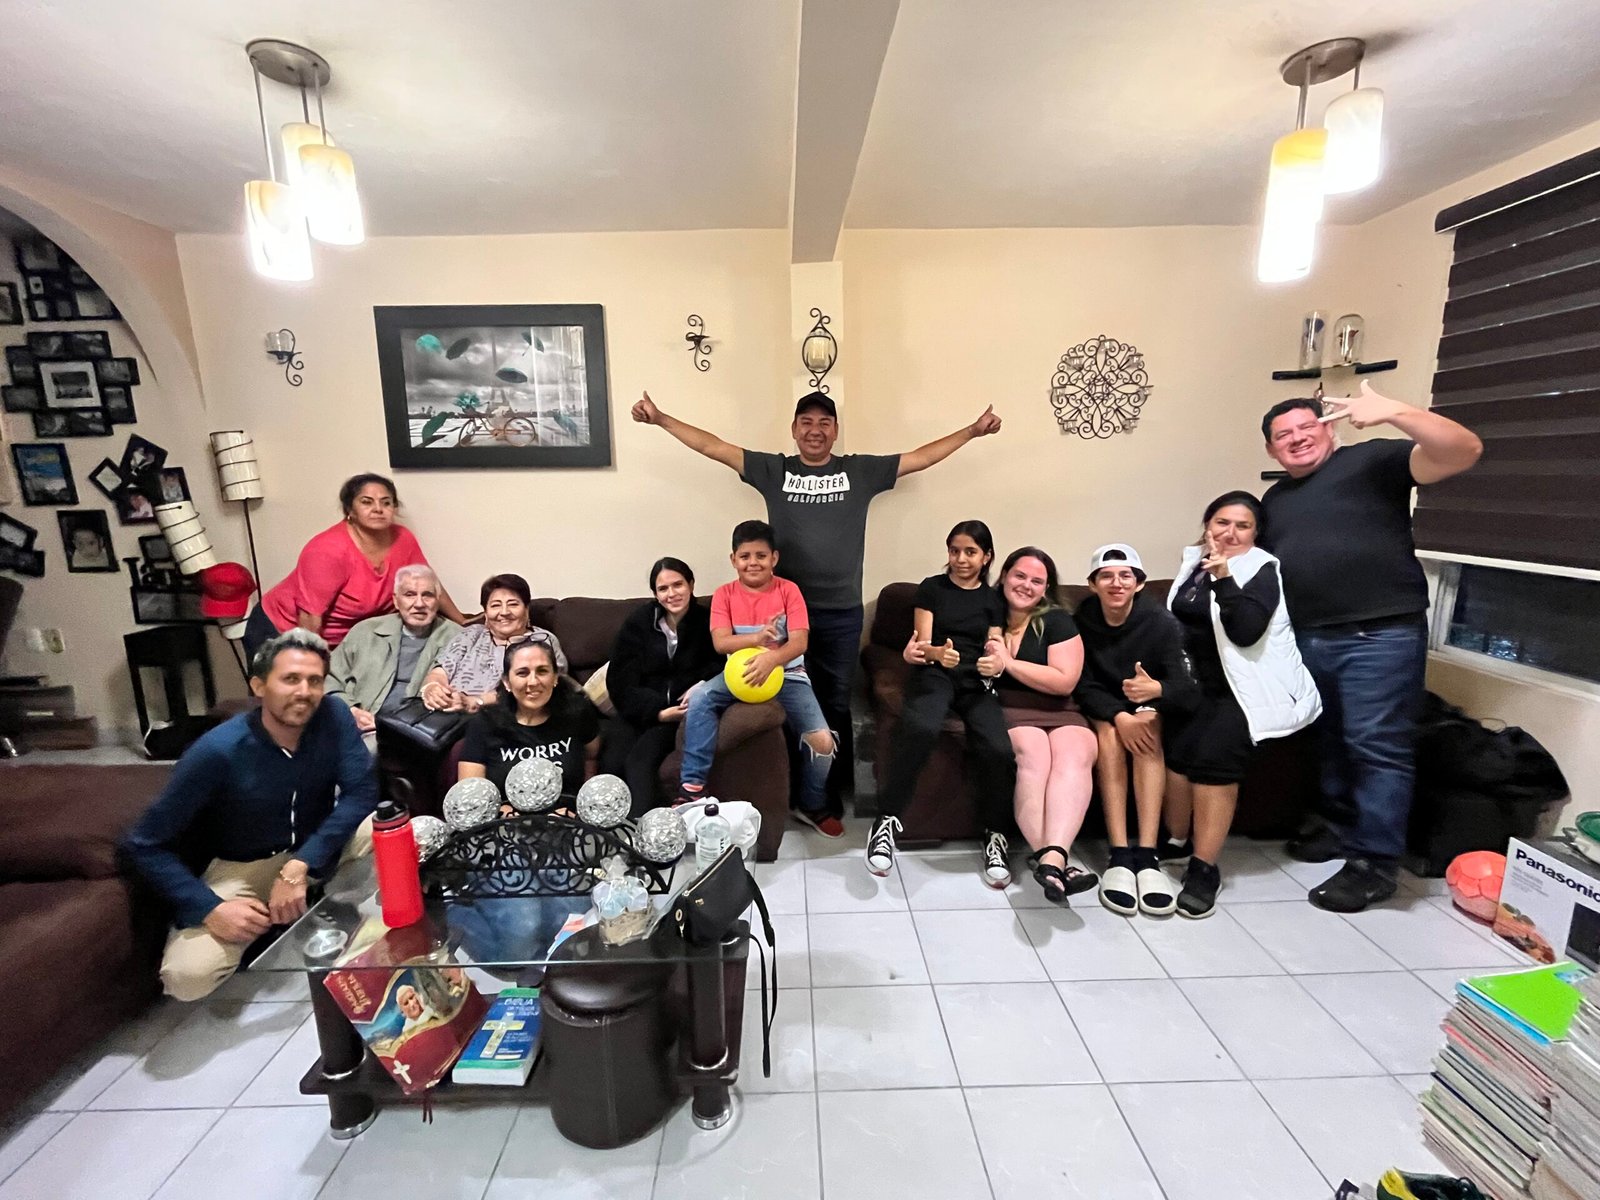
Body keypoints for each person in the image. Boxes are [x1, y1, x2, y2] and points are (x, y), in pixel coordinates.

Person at [631, 388, 1002, 817]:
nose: (815, 430)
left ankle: (826, 792)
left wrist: (973, 431)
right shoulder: (774, 470)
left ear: (835, 431)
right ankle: (792, 789)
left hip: (842, 612)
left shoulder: (859, 471)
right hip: (784, 614)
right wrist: (661, 419)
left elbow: (919, 458)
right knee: (788, 699)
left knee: (836, 700)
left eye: (824, 422)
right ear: (794, 429)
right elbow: (713, 447)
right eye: (806, 422)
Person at [1260, 381, 1483, 912]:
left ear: (1329, 428)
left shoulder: (1373, 461)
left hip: (1379, 634)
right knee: (1332, 741)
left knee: (1377, 746)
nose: (1297, 438)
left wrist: (1394, 411)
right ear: (1271, 450)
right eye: (1283, 435)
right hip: (1310, 637)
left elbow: (1464, 450)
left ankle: (1375, 864)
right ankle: (1340, 829)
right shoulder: (1276, 499)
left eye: (1306, 426)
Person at [122, 629, 377, 1001]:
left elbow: (362, 792)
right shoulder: (217, 751)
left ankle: (316, 900)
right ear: (259, 686)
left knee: (407, 833)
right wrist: (209, 909)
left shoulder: (334, 715)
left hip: (314, 848)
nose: (304, 692)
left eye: (314, 681)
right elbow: (143, 844)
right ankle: (268, 922)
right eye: (290, 679)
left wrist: (301, 864)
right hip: (244, 866)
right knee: (187, 977)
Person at [1161, 492, 1322, 918]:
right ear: (1207, 525)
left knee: (1213, 763)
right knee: (1176, 756)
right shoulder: (1193, 561)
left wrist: (1224, 579)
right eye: (1222, 522)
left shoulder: (1262, 569)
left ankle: (1204, 869)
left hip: (1244, 689)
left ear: (1255, 533)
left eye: (1242, 525)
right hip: (1197, 685)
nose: (1230, 533)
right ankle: (1176, 843)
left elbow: (1247, 632)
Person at [864, 521, 1017, 888]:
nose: (961, 559)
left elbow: (995, 642)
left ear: (986, 556)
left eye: (970, 552)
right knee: (920, 726)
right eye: (954, 551)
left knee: (998, 747)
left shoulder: (993, 599)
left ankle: (996, 834)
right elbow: (922, 643)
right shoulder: (932, 588)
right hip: (936, 674)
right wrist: (938, 654)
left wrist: (995, 661)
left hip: (977, 680)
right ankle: (886, 820)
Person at [678, 520, 837, 829]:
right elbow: (721, 642)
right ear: (733, 559)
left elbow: (799, 642)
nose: (753, 563)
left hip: (789, 674)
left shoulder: (789, 591)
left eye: (761, 556)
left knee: (823, 742)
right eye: (745, 556)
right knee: (701, 699)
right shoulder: (724, 594)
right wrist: (757, 639)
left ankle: (812, 804)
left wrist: (772, 659)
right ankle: (691, 789)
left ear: (774, 558)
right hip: (740, 676)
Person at [1074, 544, 1197, 917]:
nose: (1116, 583)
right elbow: (1082, 682)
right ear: (1092, 584)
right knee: (1110, 740)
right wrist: (1118, 715)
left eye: (1125, 576)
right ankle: (1119, 855)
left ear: (1139, 583)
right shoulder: (1082, 620)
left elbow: (1187, 687)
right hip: (1104, 707)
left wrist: (1156, 691)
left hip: (1148, 705)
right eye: (1106, 576)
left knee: (1147, 737)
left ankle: (1147, 855)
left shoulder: (1161, 623)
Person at [984, 546, 1100, 903]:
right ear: (1004, 575)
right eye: (1020, 575)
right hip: (1012, 708)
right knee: (1034, 755)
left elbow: (1064, 681)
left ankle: (1051, 862)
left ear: (1046, 588)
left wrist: (1009, 663)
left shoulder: (1057, 620)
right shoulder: (985, 612)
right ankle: (1056, 861)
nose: (1026, 585)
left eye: (1037, 581)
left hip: (1061, 708)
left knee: (1075, 753)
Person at [245, 473, 468, 655]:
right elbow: (309, 619)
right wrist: (313, 665)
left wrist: (461, 622)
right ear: (349, 510)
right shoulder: (328, 550)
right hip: (282, 631)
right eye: (366, 502)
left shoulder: (403, 538)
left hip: (347, 641)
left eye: (386, 502)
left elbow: (428, 582)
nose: (378, 509)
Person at [601, 557, 720, 814]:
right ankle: (607, 829)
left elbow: (721, 665)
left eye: (678, 585)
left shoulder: (708, 621)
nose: (671, 594)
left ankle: (643, 828)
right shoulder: (639, 622)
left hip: (678, 714)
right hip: (640, 710)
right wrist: (656, 711)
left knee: (640, 762)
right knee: (611, 763)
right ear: (655, 594)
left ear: (691, 584)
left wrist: (700, 685)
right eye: (663, 588)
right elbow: (619, 679)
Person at [324, 564, 461, 749]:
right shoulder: (366, 631)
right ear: (396, 601)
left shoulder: (458, 638)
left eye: (427, 595)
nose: (419, 604)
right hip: (356, 722)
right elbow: (328, 678)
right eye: (410, 594)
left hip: (412, 733)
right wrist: (350, 710)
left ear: (437, 600)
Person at [459, 639, 600, 795]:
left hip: (567, 809)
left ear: (555, 678)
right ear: (507, 682)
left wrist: (582, 801)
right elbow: (470, 793)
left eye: (542, 671)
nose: (533, 682)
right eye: (522, 673)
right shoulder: (483, 723)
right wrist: (502, 809)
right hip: (504, 810)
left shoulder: (578, 712)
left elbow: (592, 758)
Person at [421, 573, 567, 715]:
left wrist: (476, 701)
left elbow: (542, 687)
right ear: (485, 612)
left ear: (526, 609)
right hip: (447, 714)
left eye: (513, 604)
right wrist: (433, 689)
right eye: (495, 605)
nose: (504, 612)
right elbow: (439, 672)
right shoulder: (471, 634)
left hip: (502, 717)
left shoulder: (541, 641)